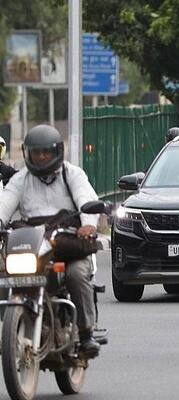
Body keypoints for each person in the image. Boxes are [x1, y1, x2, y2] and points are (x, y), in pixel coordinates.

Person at [0, 125, 101, 356]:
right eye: (36, 152)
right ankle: (8, 329)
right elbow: (4, 204)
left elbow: (85, 198)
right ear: (27, 153)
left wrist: (88, 225)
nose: (41, 157)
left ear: (57, 152)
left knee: (76, 275)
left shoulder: (72, 174)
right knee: (6, 275)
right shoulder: (20, 179)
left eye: (46, 152)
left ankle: (86, 333)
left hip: (69, 243)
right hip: (34, 244)